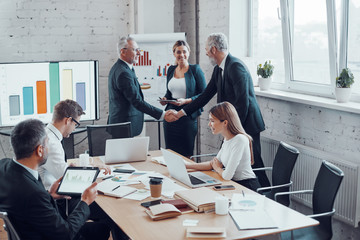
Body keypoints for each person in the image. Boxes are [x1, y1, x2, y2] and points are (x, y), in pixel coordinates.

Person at [168, 33, 270, 187]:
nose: (206, 53)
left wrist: (233, 130)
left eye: (206, 50)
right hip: (231, 124)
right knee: (233, 166)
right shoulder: (219, 69)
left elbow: (243, 104)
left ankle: (266, 197)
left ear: (214, 49)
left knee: (255, 166)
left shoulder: (236, 66)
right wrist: (181, 113)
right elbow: (205, 95)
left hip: (246, 126)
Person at [0, 119, 110, 240]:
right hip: (49, 234)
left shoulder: (3, 166)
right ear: (40, 150)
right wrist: (85, 201)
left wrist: (49, 195)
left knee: (100, 228)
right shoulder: (34, 193)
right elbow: (66, 234)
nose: (49, 148)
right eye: (47, 143)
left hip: (32, 228)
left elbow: (26, 204)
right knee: (103, 228)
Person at [108, 36, 175, 137]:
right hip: (124, 127)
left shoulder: (123, 68)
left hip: (123, 125)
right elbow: (137, 101)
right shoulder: (123, 73)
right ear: (123, 52)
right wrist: (163, 114)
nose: (139, 53)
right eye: (135, 50)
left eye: (139, 50)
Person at [185, 102, 261, 191]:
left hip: (247, 187)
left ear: (225, 122)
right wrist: (187, 165)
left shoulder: (240, 140)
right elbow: (212, 164)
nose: (209, 124)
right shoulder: (227, 139)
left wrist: (217, 168)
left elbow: (227, 175)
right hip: (234, 184)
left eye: (212, 121)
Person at [159, 40, 206, 157]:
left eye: (184, 51)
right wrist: (165, 98)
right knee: (170, 153)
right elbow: (169, 92)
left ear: (188, 52)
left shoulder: (195, 70)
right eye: (178, 52)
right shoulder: (171, 70)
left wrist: (186, 100)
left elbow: (204, 94)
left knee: (186, 154)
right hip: (170, 117)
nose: (181, 55)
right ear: (174, 53)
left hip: (187, 116)